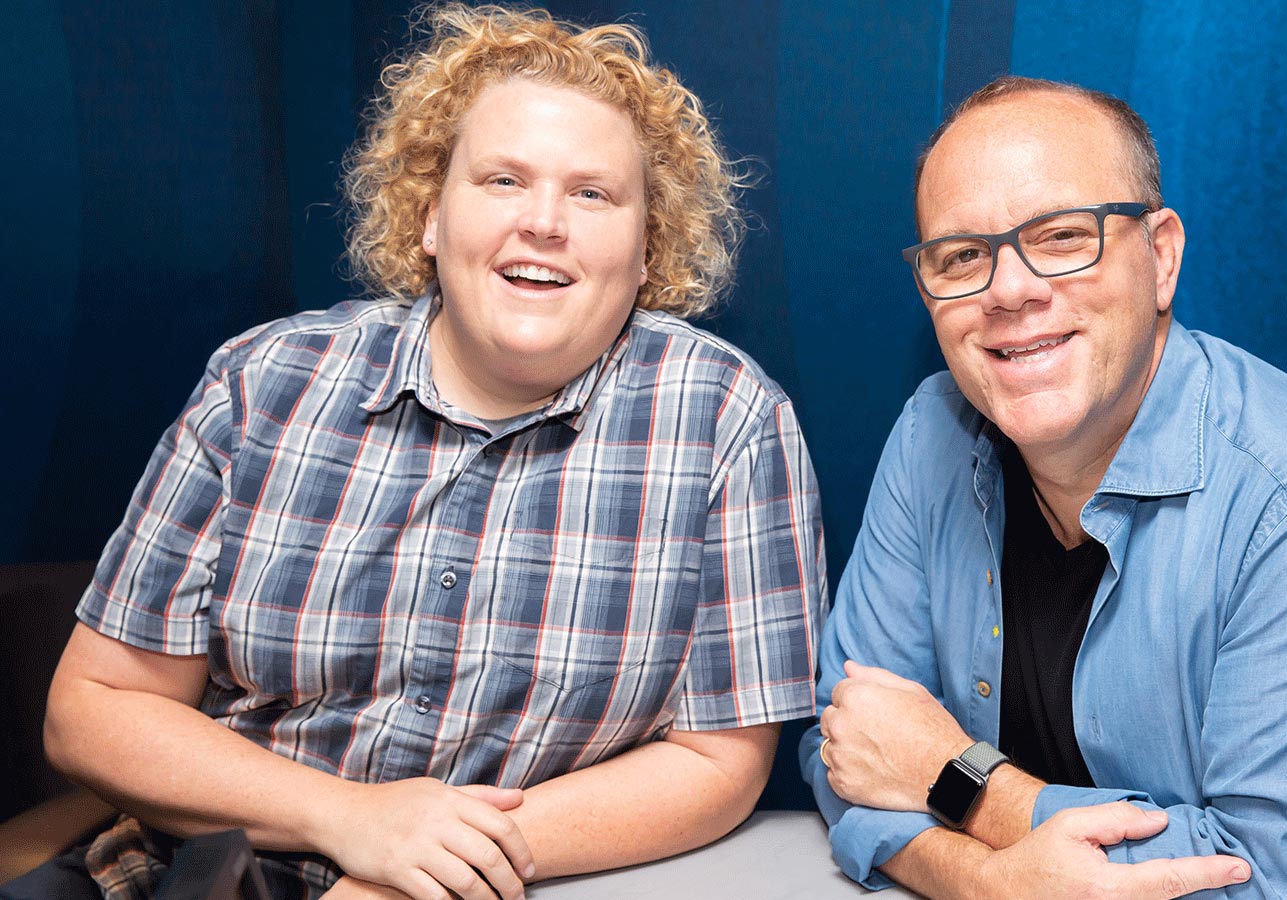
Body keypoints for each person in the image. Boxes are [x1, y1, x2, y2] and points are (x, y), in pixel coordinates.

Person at [19, 6, 826, 900]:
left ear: (647, 253)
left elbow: (720, 760)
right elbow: (96, 710)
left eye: (593, 193)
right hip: (193, 873)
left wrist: (436, 864)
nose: (545, 222)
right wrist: (352, 820)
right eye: (502, 179)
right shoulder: (265, 382)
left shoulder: (726, 419)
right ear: (430, 219)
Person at [802, 76, 1287, 899]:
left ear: (1162, 257)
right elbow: (851, 747)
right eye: (963, 256)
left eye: (1062, 236)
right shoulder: (933, 432)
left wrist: (958, 781)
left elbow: (1272, 882)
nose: (1009, 290)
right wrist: (987, 883)